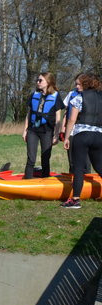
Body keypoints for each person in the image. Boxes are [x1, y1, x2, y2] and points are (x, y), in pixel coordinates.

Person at [60, 72, 102, 209]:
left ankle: (75, 200)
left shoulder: (79, 97)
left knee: (78, 168)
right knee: (99, 167)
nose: (76, 87)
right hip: (98, 136)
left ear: (86, 84)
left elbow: (72, 119)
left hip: (82, 135)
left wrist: (67, 137)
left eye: (78, 84)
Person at [23, 71, 64, 179]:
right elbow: (29, 114)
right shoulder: (34, 95)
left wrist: (56, 135)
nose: (38, 82)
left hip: (47, 131)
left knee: (45, 159)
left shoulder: (56, 96)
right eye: (37, 80)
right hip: (33, 130)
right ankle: (27, 181)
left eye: (40, 80)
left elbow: (58, 118)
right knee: (31, 159)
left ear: (48, 81)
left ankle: (45, 181)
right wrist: (25, 130)